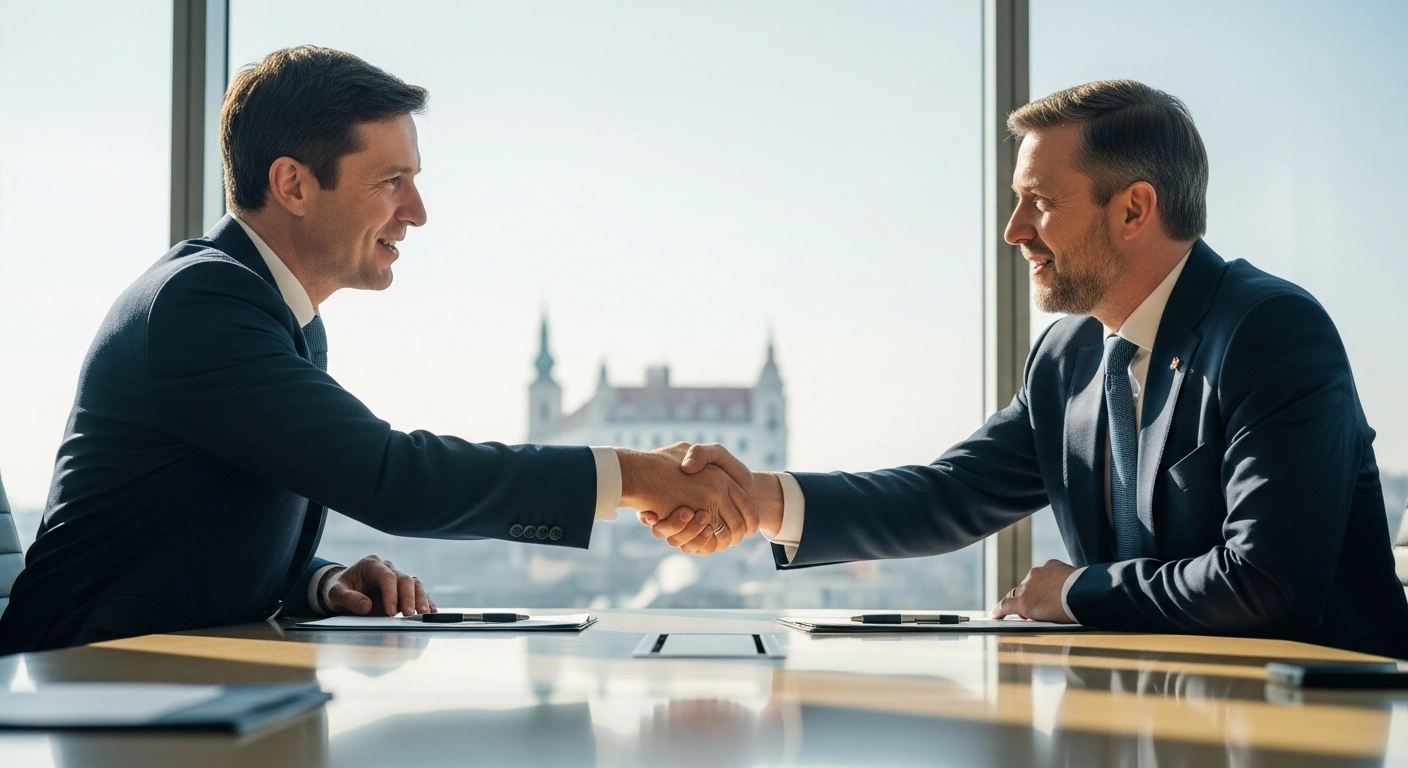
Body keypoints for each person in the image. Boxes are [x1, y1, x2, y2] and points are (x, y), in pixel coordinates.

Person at [0, 46, 752, 654]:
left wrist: (323, 584)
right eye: (392, 181)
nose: (417, 213)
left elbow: (187, 535)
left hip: (169, 672)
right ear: (293, 184)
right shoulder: (202, 305)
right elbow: (393, 477)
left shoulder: (279, 317)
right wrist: (639, 477)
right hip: (74, 684)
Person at [647, 80, 1408, 657]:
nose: (1014, 231)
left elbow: (1267, 586)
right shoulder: (1069, 357)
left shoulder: (1271, 332)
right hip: (1152, 704)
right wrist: (759, 499)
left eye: (1038, 202)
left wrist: (1076, 590)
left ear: (1134, 210)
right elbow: (949, 496)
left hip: (1316, 720)